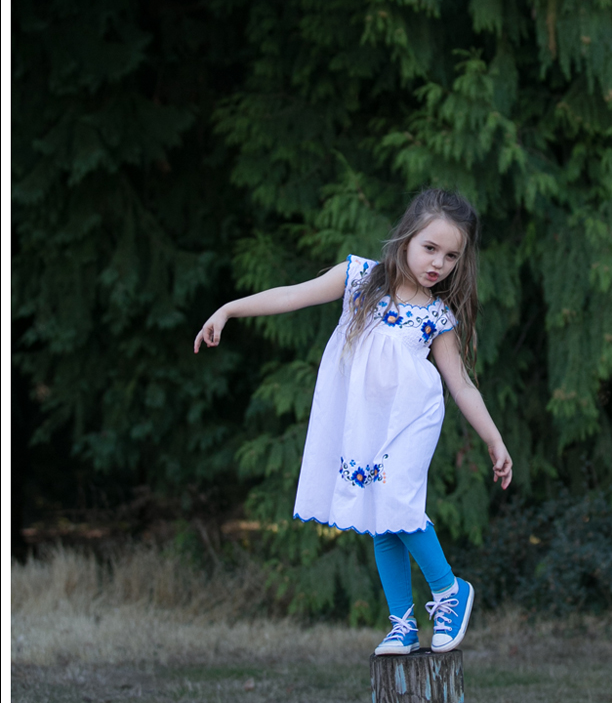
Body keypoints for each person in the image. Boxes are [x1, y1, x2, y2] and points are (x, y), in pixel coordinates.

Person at [194, 188, 512, 655]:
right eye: (430, 248)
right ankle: (401, 623)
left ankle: (449, 592)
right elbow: (291, 296)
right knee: (382, 516)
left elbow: (461, 385)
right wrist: (229, 309)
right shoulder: (359, 278)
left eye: (450, 256)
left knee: (397, 502)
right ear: (406, 237)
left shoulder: (437, 316)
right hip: (369, 422)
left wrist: (494, 438)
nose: (438, 264)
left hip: (414, 419)